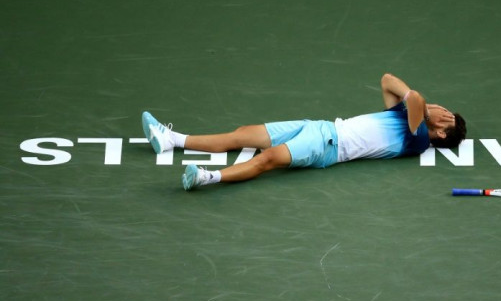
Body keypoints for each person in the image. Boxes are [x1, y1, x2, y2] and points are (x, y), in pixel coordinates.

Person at [142, 73, 466, 190]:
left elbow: (417, 101)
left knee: (267, 159)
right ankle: (170, 139)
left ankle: (207, 177)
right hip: (319, 127)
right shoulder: (404, 114)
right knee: (243, 133)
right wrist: (418, 103)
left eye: (447, 118)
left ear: (440, 135)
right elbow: (387, 80)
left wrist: (423, 107)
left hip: (328, 145)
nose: (443, 111)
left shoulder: (419, 138)